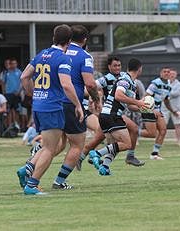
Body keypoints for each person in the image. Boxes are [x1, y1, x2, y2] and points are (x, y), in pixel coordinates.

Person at [18, 24, 83, 195]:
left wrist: (33, 93)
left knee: (49, 145)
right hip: (52, 106)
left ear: (54, 38)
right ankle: (32, 185)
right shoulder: (63, 58)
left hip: (38, 106)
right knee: (50, 148)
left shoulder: (41, 55)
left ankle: (28, 170)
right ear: (68, 41)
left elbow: (24, 76)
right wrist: (78, 105)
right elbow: (66, 85)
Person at [50, 25, 100, 189]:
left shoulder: (57, 52)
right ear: (85, 39)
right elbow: (90, 83)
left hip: (53, 102)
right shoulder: (84, 56)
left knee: (56, 144)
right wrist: (96, 98)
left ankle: (29, 167)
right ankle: (59, 181)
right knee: (77, 145)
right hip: (72, 104)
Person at [77, 57, 145, 170]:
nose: (117, 67)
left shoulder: (131, 81)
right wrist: (91, 98)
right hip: (111, 113)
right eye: (115, 65)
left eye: (119, 65)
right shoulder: (119, 79)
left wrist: (144, 108)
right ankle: (97, 154)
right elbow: (94, 87)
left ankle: (105, 166)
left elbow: (130, 106)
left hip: (110, 114)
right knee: (125, 141)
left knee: (114, 144)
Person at [140, 67, 178, 160]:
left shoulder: (169, 85)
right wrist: (151, 109)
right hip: (149, 109)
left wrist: (173, 111)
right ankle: (133, 131)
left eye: (168, 72)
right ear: (161, 73)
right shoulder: (155, 83)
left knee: (163, 130)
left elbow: (166, 100)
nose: (166, 73)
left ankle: (154, 154)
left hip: (158, 110)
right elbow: (146, 97)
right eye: (164, 72)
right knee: (152, 134)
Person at [161, 68, 180, 146]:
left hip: (176, 108)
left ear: (176, 75)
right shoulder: (165, 83)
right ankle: (161, 141)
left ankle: (179, 141)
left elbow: (178, 93)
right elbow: (162, 93)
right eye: (171, 74)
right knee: (163, 125)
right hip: (165, 108)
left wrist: (168, 93)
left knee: (177, 125)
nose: (172, 75)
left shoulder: (179, 84)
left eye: (174, 74)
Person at [0, 57, 22, 128]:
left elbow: (22, 82)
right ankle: (9, 126)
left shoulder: (19, 72)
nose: (13, 65)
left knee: (17, 111)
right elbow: (3, 83)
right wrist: (4, 92)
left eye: (15, 63)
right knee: (8, 111)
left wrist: (19, 91)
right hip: (8, 94)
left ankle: (17, 126)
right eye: (12, 64)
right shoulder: (6, 72)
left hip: (16, 94)